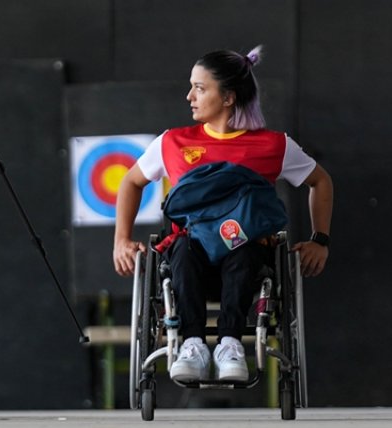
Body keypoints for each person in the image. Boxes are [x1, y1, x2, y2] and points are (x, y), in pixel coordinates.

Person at [112, 46, 333, 384]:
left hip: (245, 255)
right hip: (191, 255)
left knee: (241, 246)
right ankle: (193, 345)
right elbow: (130, 182)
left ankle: (230, 344)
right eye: (191, 86)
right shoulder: (173, 142)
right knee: (183, 250)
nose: (189, 96)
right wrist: (121, 241)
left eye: (200, 88)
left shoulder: (274, 146)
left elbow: (320, 181)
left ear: (228, 97)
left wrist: (320, 240)